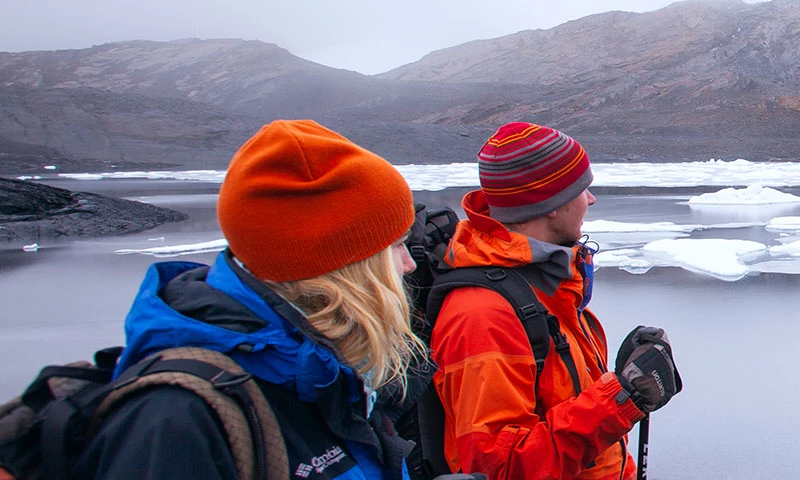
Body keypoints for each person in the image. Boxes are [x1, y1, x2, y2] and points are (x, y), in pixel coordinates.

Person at [80, 120, 422, 479]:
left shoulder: (326, 369)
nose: (410, 264)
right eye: (397, 247)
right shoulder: (177, 421)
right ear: (341, 267)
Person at [427, 122, 678, 480]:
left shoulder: (550, 287)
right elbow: (500, 468)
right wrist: (623, 398)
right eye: (581, 189)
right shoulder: (483, 315)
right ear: (551, 205)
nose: (590, 200)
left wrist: (621, 381)